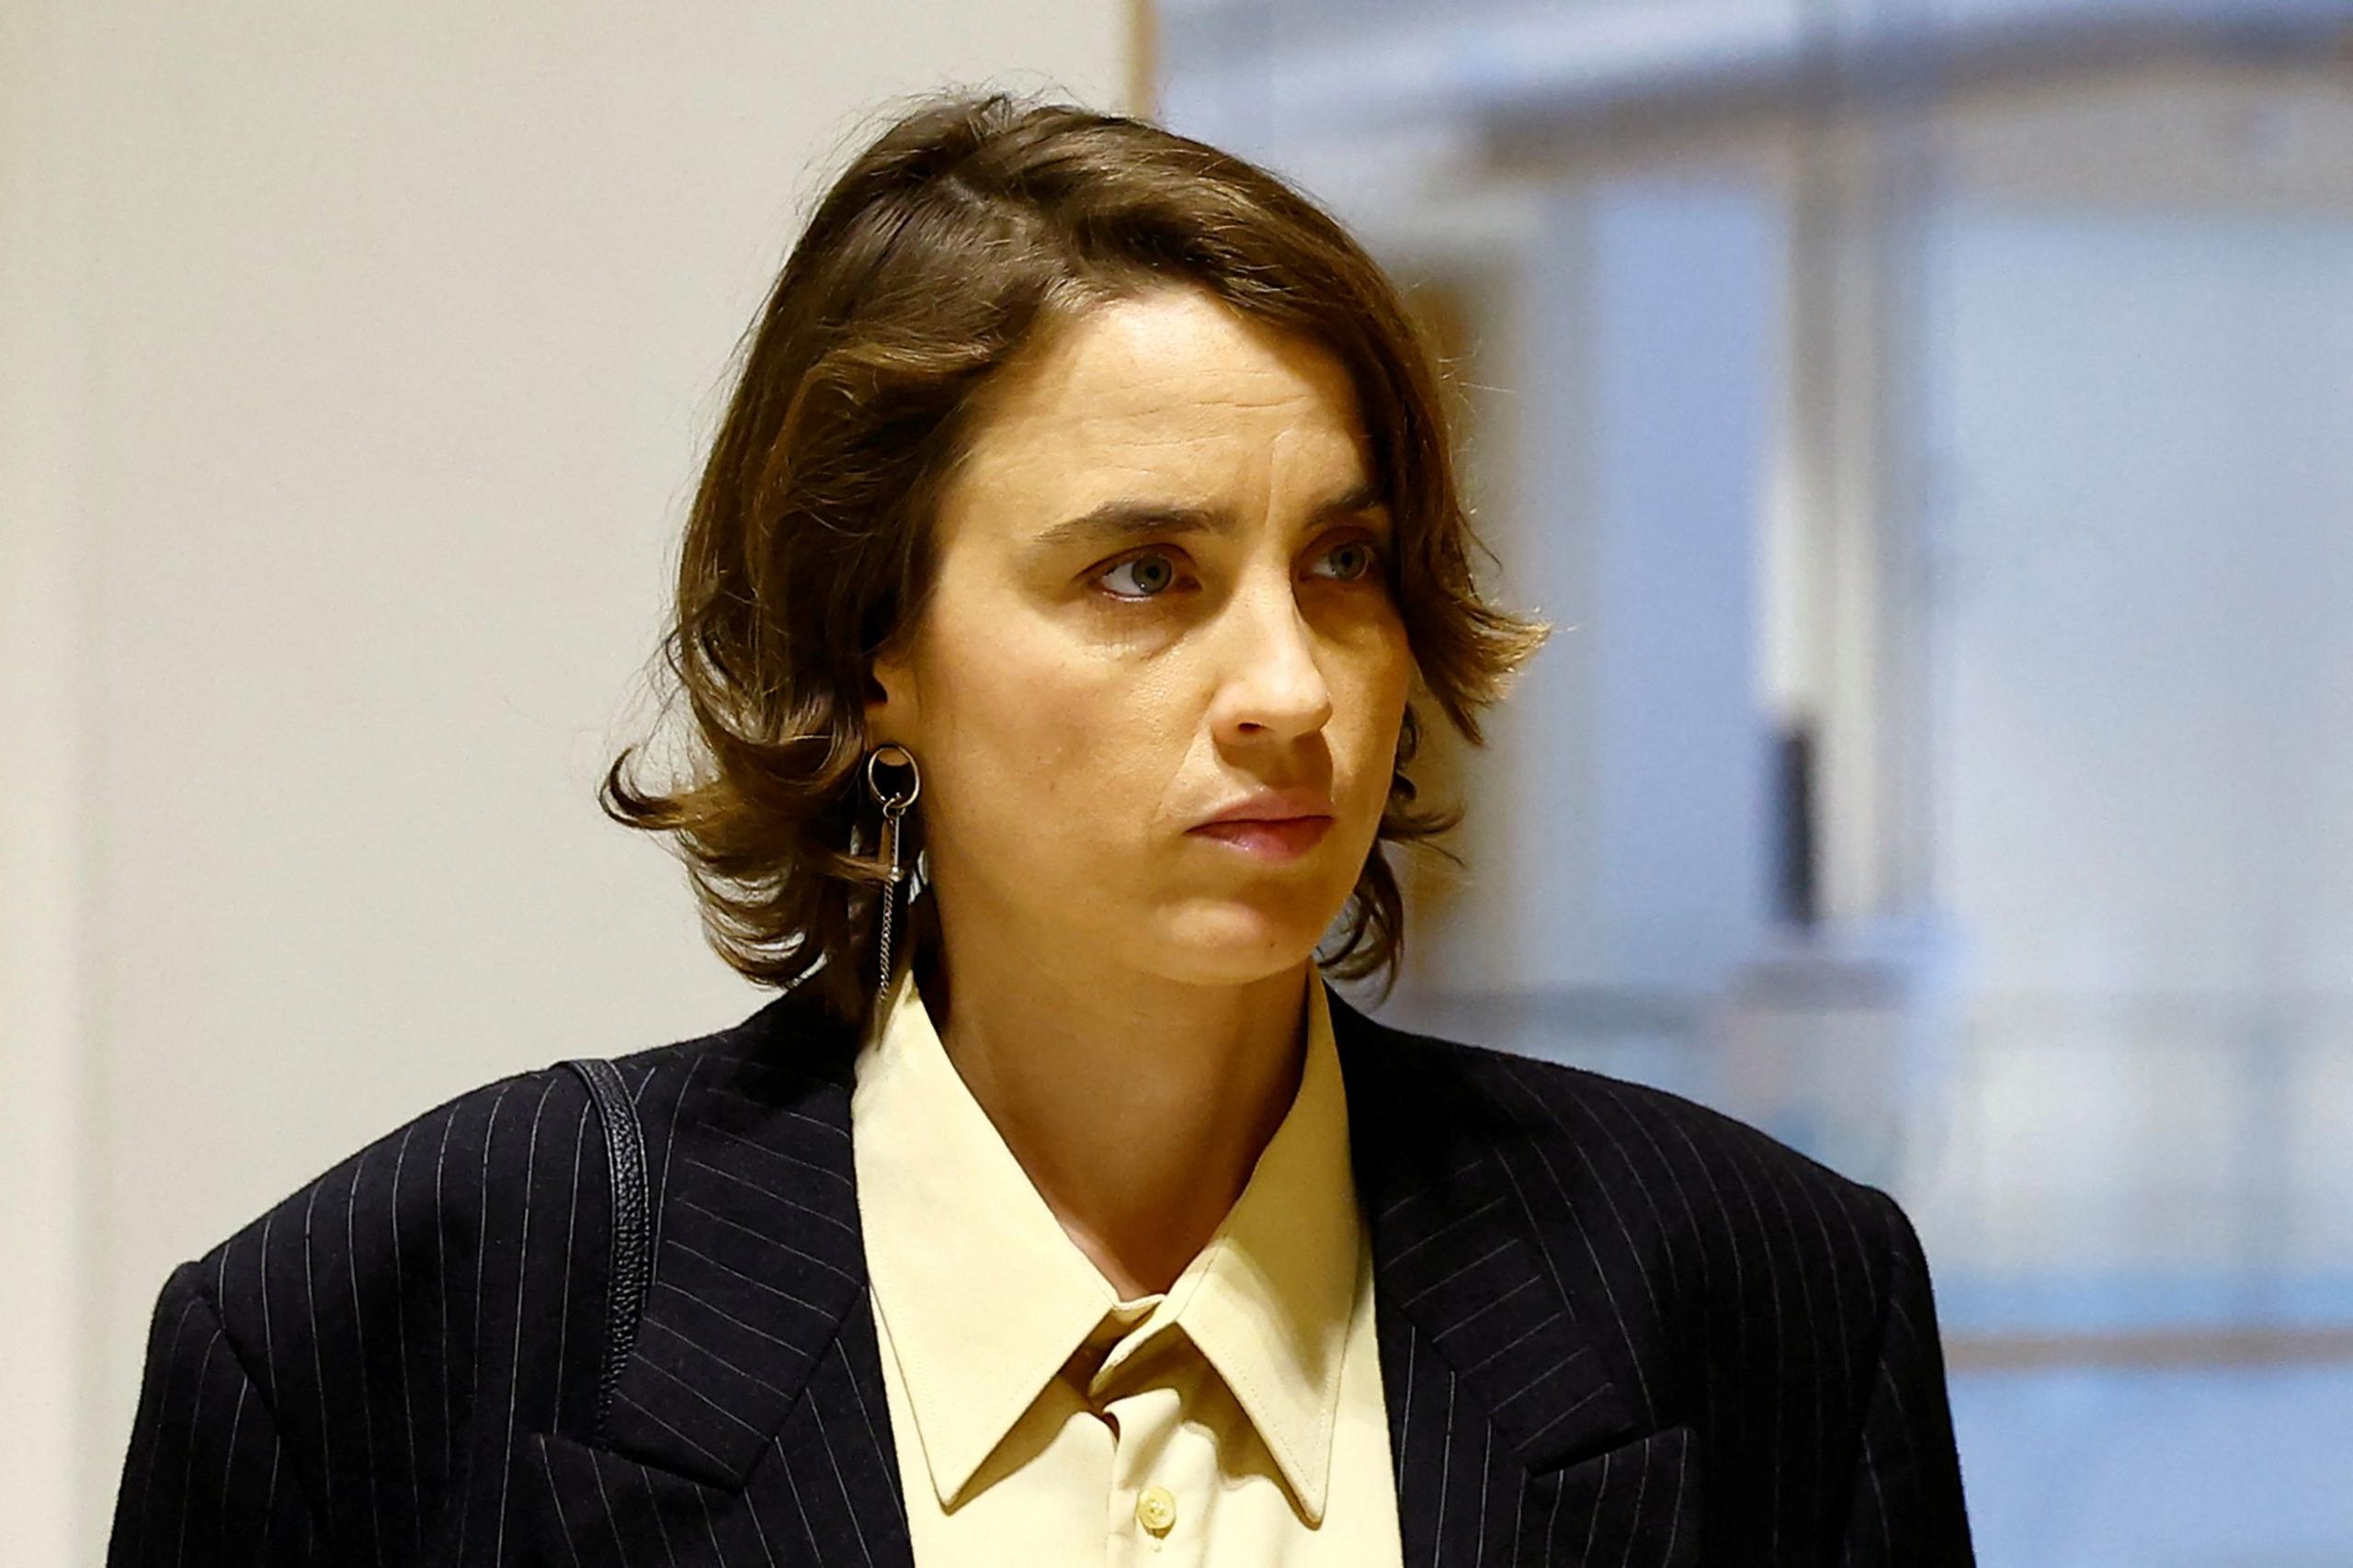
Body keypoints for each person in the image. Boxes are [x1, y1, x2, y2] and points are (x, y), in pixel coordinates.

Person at [108, 89, 1974, 1567]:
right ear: (869, 654)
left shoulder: (1765, 1301)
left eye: (1341, 563)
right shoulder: (386, 1333)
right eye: (1143, 571)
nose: (1288, 685)